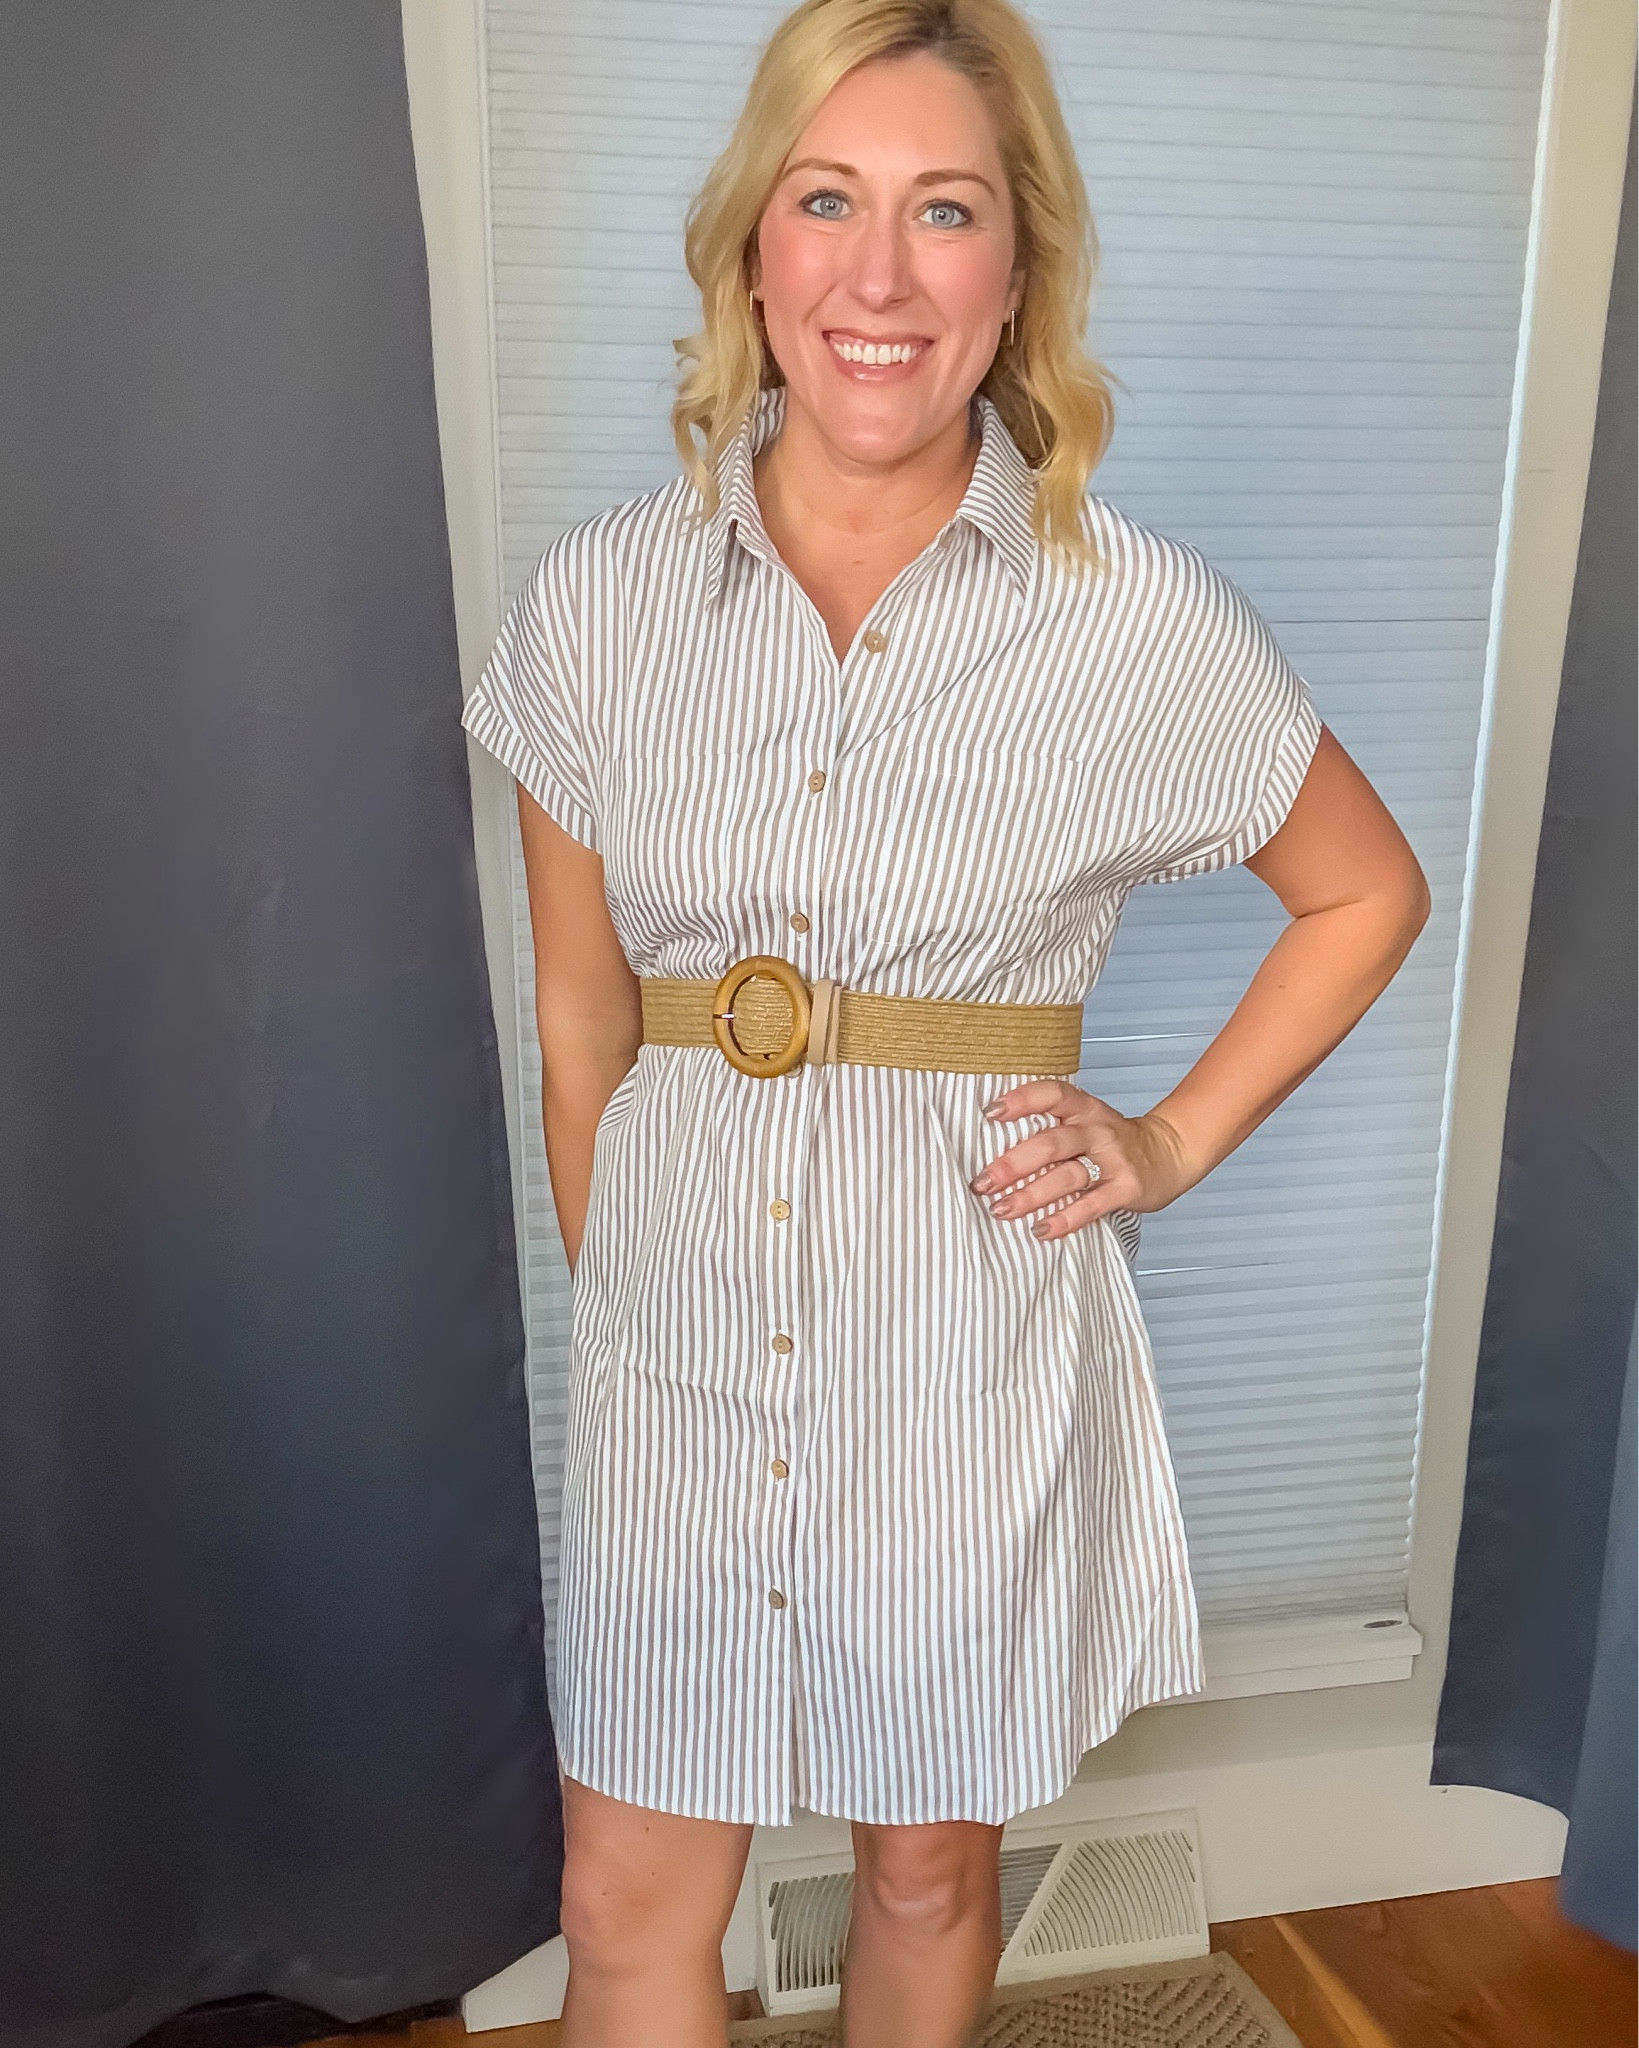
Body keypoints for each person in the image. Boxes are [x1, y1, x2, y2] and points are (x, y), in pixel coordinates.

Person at [460, 1, 1430, 2042]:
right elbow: (574, 1010)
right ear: (751, 249)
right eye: (826, 201)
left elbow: (1363, 890)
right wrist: (633, 1290)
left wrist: (1164, 1140)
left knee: (922, 1858)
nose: (877, 273)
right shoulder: (591, 613)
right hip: (675, 1355)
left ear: (1015, 276)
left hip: (957, 1350)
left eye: (943, 212)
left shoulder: (1132, 623)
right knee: (622, 1884)